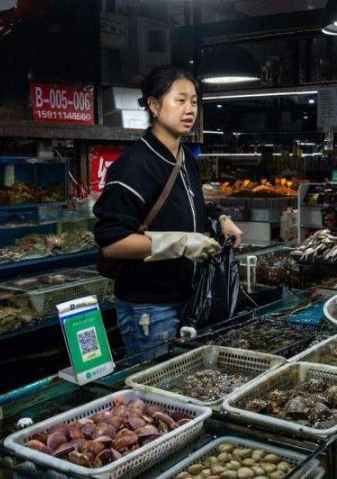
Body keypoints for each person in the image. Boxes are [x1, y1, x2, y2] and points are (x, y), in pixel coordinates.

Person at [93, 65, 243, 358]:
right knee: (157, 394)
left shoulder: (185, 156)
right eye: (180, 100)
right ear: (153, 104)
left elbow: (193, 206)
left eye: (194, 101)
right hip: (149, 308)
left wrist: (220, 218)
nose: (190, 109)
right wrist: (182, 243)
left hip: (188, 297)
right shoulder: (134, 166)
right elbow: (111, 243)